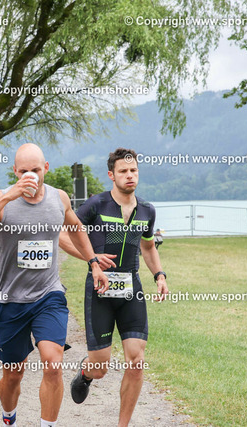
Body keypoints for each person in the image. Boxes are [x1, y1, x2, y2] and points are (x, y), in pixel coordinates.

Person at [0, 143, 108, 427]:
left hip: (48, 295)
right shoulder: (0, 199)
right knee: (13, 374)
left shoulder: (59, 198)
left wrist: (93, 261)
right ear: (15, 172)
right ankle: (9, 418)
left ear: (46, 169)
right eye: (24, 171)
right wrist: (8, 196)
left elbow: (75, 228)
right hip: (10, 300)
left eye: (36, 170)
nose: (31, 176)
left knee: (53, 365)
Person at [59, 148, 169, 427]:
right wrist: (91, 259)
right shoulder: (96, 205)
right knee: (100, 367)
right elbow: (63, 234)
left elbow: (147, 246)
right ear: (111, 175)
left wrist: (159, 274)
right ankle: (86, 374)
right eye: (123, 171)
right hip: (100, 289)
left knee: (136, 361)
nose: (129, 175)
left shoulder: (147, 210)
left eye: (133, 171)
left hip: (131, 289)